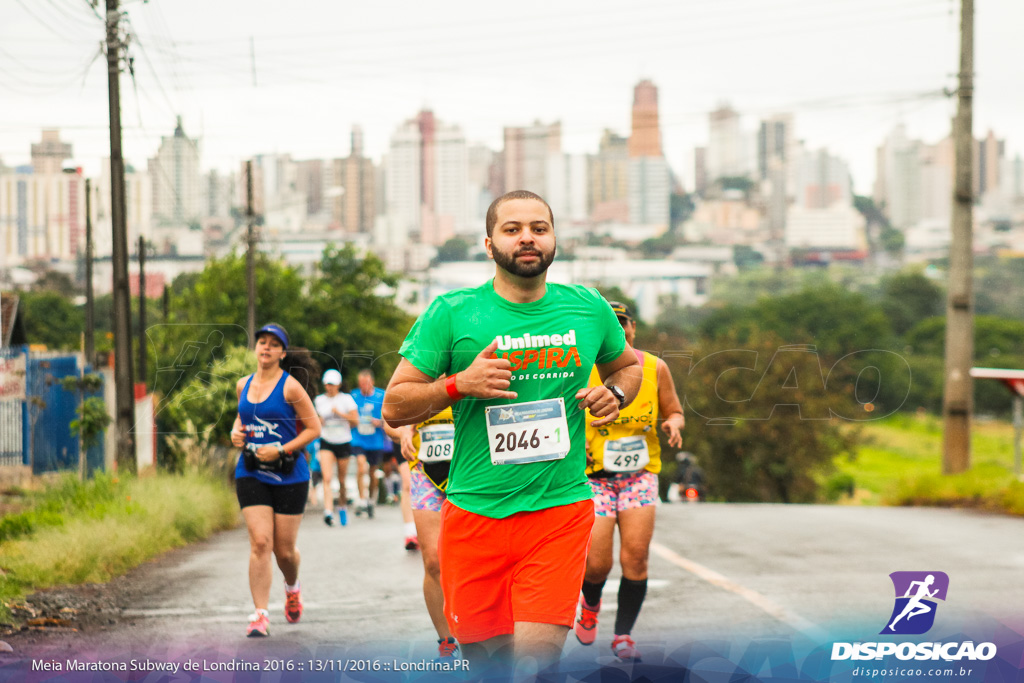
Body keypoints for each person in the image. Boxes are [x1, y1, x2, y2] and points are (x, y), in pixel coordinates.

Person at [383, 190, 643, 673]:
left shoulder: (587, 307)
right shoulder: (452, 312)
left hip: (558, 512)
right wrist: (460, 385)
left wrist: (617, 393)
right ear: (489, 244)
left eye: (539, 228)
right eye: (513, 228)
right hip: (474, 514)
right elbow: (394, 406)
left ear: (553, 240)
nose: (527, 237)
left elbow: (627, 367)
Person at [574, 301, 685, 661]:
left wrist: (673, 424)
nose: (619, 330)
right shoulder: (582, 367)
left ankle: (623, 635)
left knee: (636, 558)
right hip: (595, 479)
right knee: (597, 563)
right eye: (612, 324)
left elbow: (674, 410)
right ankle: (590, 605)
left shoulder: (654, 367)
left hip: (639, 475)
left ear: (634, 328)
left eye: (624, 324)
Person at [229, 323, 321, 638]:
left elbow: (314, 429)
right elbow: (242, 417)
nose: (265, 348)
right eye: (261, 342)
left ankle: (292, 588)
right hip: (251, 471)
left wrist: (280, 448)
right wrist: (235, 431)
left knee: (284, 551)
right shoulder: (243, 385)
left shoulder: (290, 387)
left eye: (273, 344)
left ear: (282, 352)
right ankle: (260, 615)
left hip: (289, 474)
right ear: (255, 348)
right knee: (260, 543)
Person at [385, 407, 460, 658]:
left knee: (477, 559)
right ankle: (446, 640)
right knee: (433, 560)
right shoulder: (416, 371)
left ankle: (482, 630)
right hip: (425, 473)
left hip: (472, 471)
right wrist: (404, 430)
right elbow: (390, 417)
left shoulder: (474, 367)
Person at [314, 369, 358, 526]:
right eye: (327, 384)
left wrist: (339, 413)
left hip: (343, 441)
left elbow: (355, 421)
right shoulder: (319, 400)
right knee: (327, 478)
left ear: (338, 385)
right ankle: (328, 512)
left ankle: (342, 506)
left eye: (332, 384)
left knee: (341, 480)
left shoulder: (346, 400)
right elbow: (316, 422)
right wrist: (319, 421)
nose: (329, 387)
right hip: (326, 441)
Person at [351, 369, 386, 519]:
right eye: (361, 384)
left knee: (373, 472)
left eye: (365, 383)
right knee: (360, 465)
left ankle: (371, 500)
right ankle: (362, 500)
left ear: (371, 382)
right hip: (358, 439)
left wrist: (381, 422)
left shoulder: (381, 395)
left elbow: (390, 415)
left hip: (375, 440)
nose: (363, 387)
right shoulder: (353, 396)